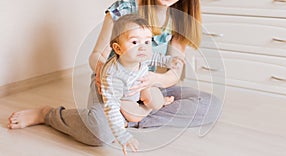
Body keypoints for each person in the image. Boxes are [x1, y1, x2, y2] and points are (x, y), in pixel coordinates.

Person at [8, 0, 221, 155]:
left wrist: (154, 81)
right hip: (112, 84)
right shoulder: (124, 7)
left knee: (210, 106)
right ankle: (49, 114)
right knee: (98, 133)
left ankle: (129, 119)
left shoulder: (180, 17)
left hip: (149, 84)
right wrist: (104, 76)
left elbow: (174, 71)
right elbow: (96, 55)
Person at [100, 14, 181, 147]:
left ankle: (155, 104)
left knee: (157, 101)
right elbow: (111, 106)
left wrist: (170, 61)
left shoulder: (142, 55)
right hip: (125, 97)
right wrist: (122, 136)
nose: (143, 47)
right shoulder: (113, 75)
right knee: (134, 116)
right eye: (134, 42)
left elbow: (155, 57)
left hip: (142, 87)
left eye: (147, 42)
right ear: (118, 49)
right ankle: (125, 119)